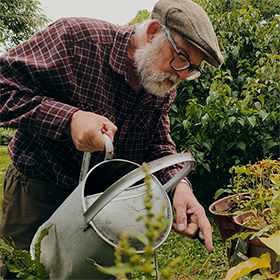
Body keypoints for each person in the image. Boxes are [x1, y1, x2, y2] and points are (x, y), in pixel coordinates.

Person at [0, 0, 223, 278]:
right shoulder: (76, 38)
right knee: (25, 273)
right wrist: (69, 119)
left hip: (108, 205)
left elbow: (157, 140)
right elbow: (4, 87)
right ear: (154, 32)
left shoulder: (162, 84)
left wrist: (180, 186)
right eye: (181, 57)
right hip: (38, 194)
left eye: (191, 68)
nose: (181, 74)